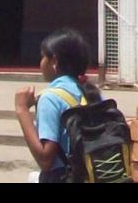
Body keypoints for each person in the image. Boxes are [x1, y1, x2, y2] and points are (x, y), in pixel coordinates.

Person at [14, 27, 95, 184]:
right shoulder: (90, 92)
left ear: (54, 61)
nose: (41, 62)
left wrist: (22, 110)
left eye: (43, 56)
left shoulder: (51, 98)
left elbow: (45, 160)